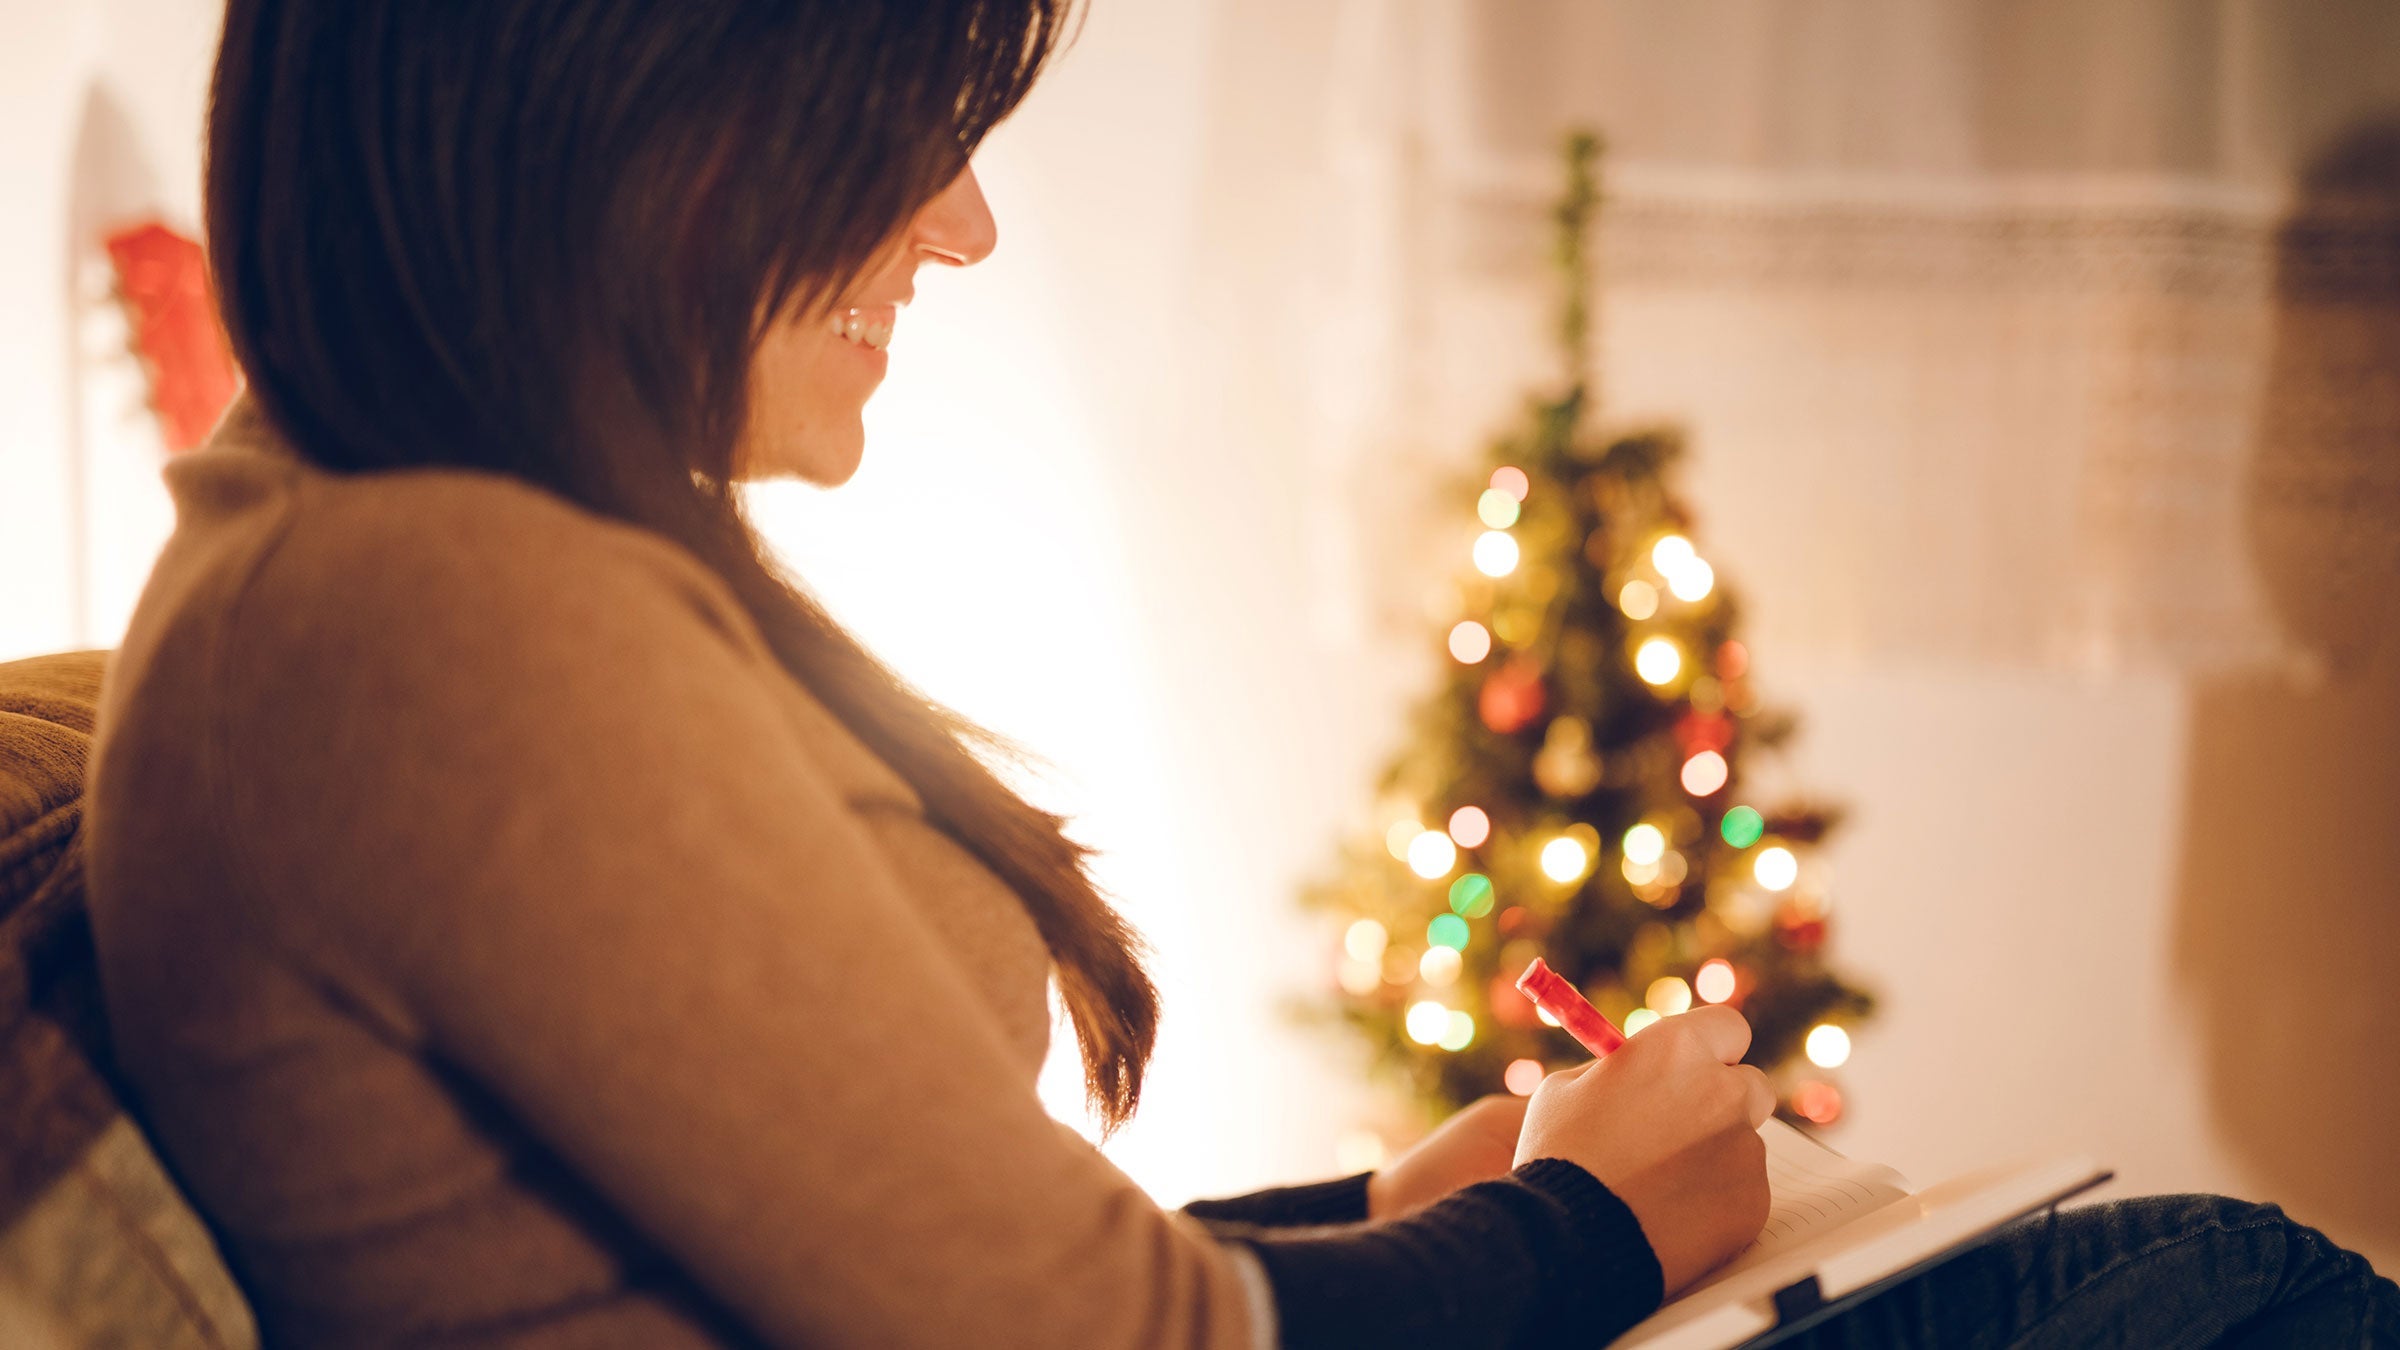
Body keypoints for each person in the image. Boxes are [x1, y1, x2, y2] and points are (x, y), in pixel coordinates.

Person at [81, 2, 2398, 1347]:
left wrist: (1398, 1232)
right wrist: (1591, 1229)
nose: (960, 220)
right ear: (646, 112)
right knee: (2240, 1295)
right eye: (910, 132)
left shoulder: (368, 561)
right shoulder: (446, 628)